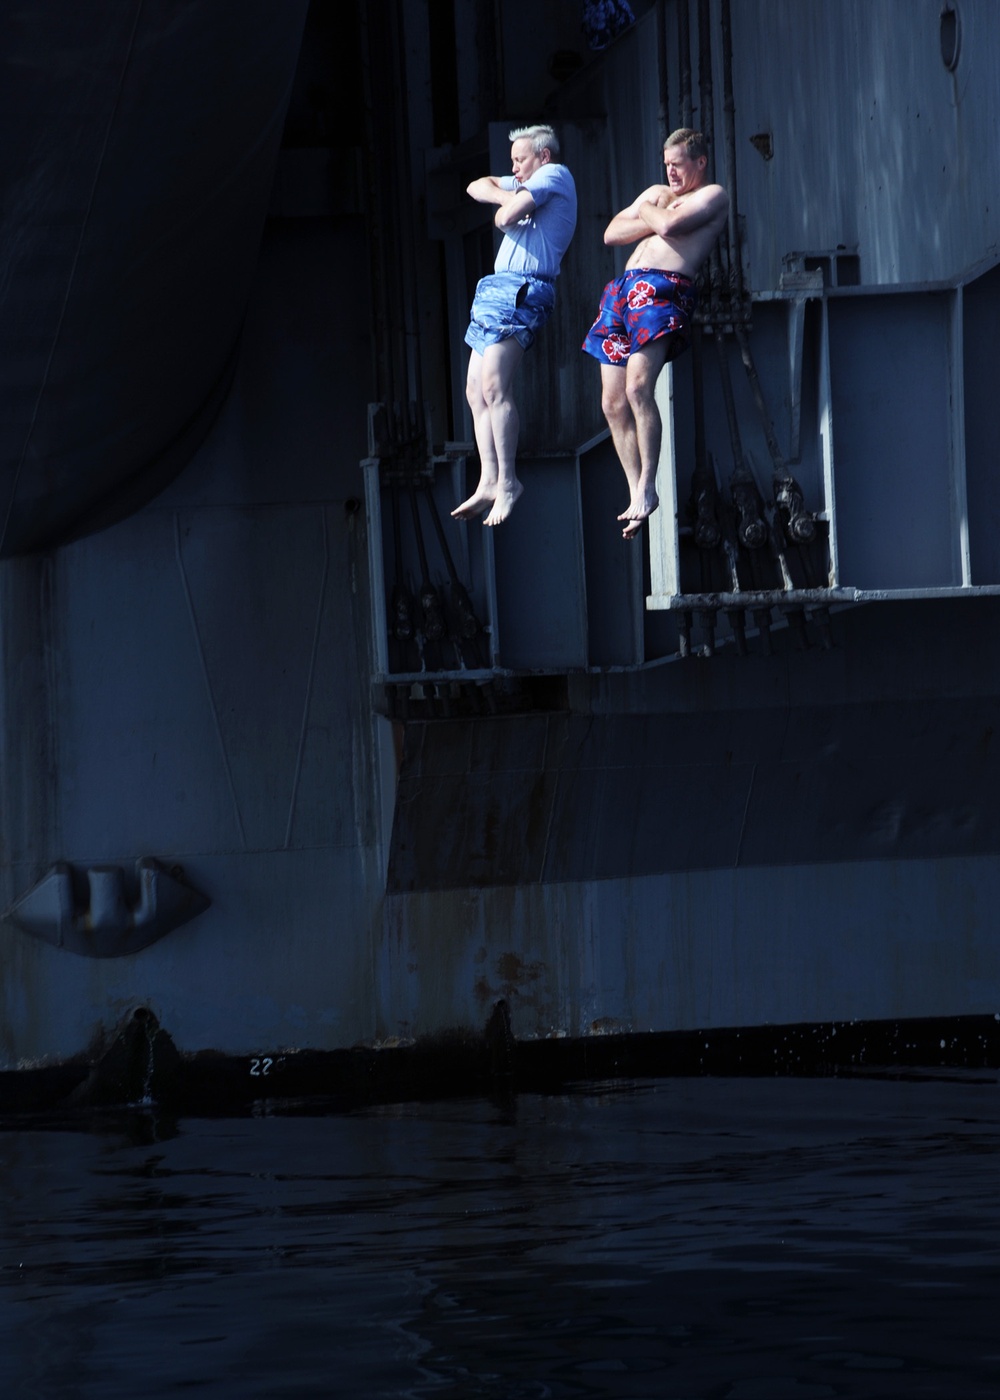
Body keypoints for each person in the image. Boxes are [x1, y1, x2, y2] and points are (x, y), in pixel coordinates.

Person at [582, 129, 728, 538]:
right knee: (611, 402)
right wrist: (653, 205)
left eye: (677, 164)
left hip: (662, 291)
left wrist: (647, 209)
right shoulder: (658, 192)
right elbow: (611, 233)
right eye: (666, 165)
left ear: (699, 162)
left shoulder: (712, 195)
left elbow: (665, 224)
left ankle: (649, 483)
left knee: (637, 389)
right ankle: (635, 491)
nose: (670, 173)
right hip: (623, 292)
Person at [452, 124, 577, 527]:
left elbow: (503, 216)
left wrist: (509, 203)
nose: (514, 168)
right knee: (474, 389)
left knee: (494, 385)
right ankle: (489, 478)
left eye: (520, 161)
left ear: (543, 157)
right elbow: (476, 186)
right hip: (494, 289)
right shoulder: (526, 182)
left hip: (525, 287)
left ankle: (508, 481)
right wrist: (511, 194)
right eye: (512, 163)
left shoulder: (554, 175)